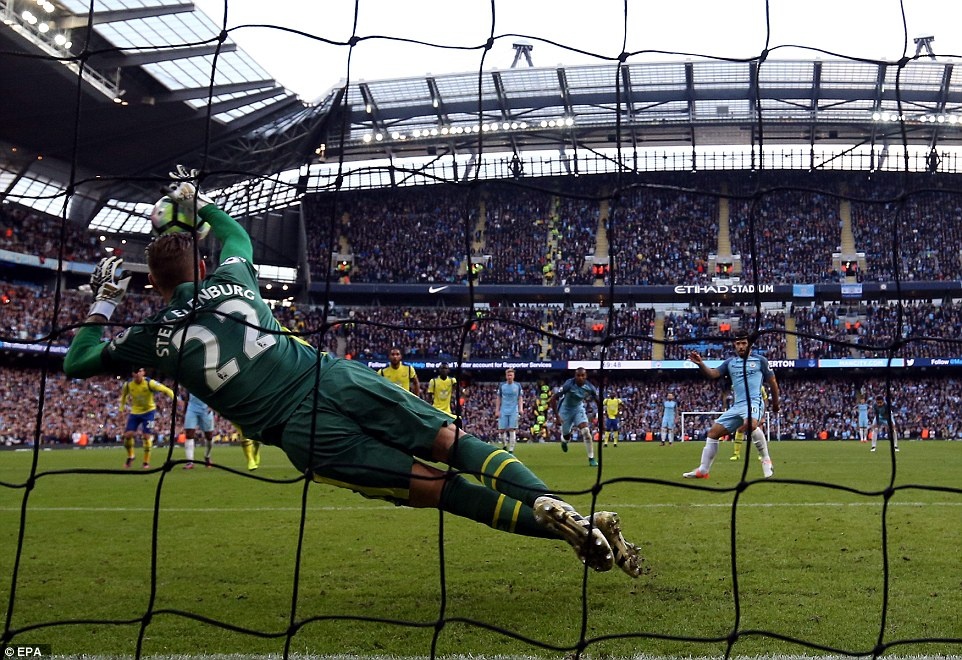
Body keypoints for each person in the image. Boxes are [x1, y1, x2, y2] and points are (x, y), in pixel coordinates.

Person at [63, 167, 644, 578]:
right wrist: (198, 204)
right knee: (455, 442)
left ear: (153, 284)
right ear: (204, 262)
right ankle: (552, 503)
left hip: (303, 431)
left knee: (441, 492)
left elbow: (78, 362)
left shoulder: (153, 338)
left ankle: (565, 531)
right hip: (330, 377)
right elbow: (236, 232)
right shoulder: (232, 278)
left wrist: (104, 305)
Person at [685, 335, 780, 479]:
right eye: (738, 344)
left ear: (749, 345)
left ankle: (766, 459)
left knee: (749, 424)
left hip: (754, 402)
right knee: (713, 433)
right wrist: (701, 364)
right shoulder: (730, 362)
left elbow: (773, 382)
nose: (741, 346)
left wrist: (775, 404)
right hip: (737, 406)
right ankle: (703, 471)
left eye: (743, 343)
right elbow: (713, 374)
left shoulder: (760, 361)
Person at [119, 367, 174, 469]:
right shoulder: (128, 385)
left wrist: (174, 398)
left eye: (140, 371)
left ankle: (146, 462)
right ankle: (131, 456)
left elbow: (166, 389)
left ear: (143, 372)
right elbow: (123, 397)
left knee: (146, 436)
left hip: (149, 412)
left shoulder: (150, 383)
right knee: (127, 435)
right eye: (135, 372)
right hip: (135, 412)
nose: (137, 374)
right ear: (132, 374)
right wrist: (121, 409)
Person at [549, 367, 600, 467]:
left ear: (586, 376)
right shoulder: (568, 385)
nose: (580, 378)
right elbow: (553, 399)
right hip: (565, 410)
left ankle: (591, 458)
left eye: (582, 376)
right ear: (575, 376)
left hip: (578, 408)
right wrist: (557, 416)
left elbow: (598, 401)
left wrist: (601, 417)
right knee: (566, 435)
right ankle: (564, 441)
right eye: (578, 375)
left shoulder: (590, 387)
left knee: (586, 431)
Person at [182, 392, 215, 469]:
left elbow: (214, 392)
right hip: (192, 408)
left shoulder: (209, 380)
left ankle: (207, 456)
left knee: (209, 436)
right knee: (189, 434)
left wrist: (212, 405)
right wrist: (185, 410)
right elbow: (187, 395)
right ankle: (190, 461)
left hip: (206, 409)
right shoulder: (190, 381)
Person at [494, 368, 524, 452]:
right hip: (503, 410)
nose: (509, 377)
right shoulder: (502, 386)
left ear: (513, 376)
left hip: (513, 410)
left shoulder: (517, 385)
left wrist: (520, 408)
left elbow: (520, 398)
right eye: (508, 375)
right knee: (501, 430)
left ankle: (511, 450)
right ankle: (504, 445)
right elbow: (498, 398)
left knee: (512, 429)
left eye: (511, 375)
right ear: (506, 376)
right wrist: (497, 410)